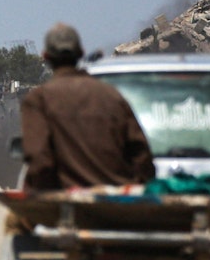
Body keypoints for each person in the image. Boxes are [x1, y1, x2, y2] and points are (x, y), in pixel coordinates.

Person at [20, 23, 155, 191]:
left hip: (66, 206)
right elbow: (142, 156)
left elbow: (39, 160)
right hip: (116, 204)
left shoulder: (38, 99)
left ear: (46, 56)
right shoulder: (111, 96)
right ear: (81, 53)